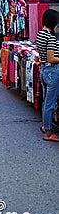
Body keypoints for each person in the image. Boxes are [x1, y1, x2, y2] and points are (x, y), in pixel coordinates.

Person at [35, 9, 59, 142]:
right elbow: (51, 58)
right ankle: (48, 132)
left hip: (44, 70)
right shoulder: (50, 37)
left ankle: (46, 126)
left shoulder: (41, 34)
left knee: (46, 102)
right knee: (50, 104)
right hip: (51, 71)